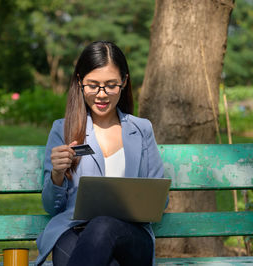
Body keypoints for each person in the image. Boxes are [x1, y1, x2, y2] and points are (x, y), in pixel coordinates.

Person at [35, 41, 164, 266]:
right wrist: (57, 174)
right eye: (93, 85)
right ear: (79, 82)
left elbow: (159, 200)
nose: (101, 95)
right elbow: (51, 207)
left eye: (110, 85)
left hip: (130, 237)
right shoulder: (62, 130)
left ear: (124, 81)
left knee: (103, 224)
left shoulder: (141, 130)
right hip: (73, 232)